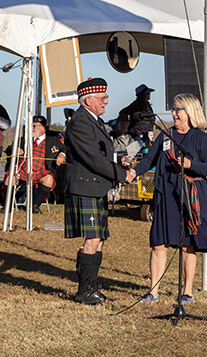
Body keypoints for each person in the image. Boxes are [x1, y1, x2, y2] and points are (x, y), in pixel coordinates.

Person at [126, 93, 207, 305]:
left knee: (188, 246)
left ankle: (186, 293)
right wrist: (133, 172)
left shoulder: (201, 138)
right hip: (165, 195)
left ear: (190, 112)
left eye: (179, 109)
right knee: (159, 244)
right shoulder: (166, 135)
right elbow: (149, 159)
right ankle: (153, 292)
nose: (174, 113)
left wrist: (190, 165)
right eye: (174, 109)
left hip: (190, 197)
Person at [64, 77, 130, 306]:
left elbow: (102, 154)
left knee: (99, 238)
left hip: (94, 186)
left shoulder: (94, 120)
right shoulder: (81, 122)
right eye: (102, 98)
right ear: (87, 100)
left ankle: (93, 287)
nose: (106, 102)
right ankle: (84, 291)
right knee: (92, 239)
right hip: (85, 185)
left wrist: (121, 160)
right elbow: (92, 158)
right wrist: (121, 175)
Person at [3, 116, 66, 213]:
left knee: (48, 179)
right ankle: (7, 206)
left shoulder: (53, 141)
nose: (31, 128)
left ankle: (35, 206)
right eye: (30, 126)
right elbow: (9, 148)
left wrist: (61, 155)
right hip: (22, 172)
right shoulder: (23, 140)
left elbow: (64, 149)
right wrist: (14, 149)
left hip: (41, 173)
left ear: (44, 127)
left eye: (34, 126)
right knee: (10, 178)